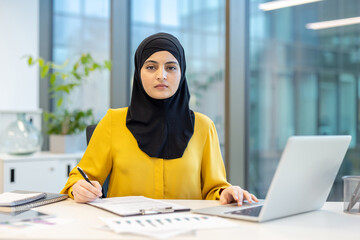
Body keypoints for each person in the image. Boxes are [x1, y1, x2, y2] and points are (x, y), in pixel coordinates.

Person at [60, 32, 258, 206]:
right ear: (139, 72)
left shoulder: (203, 126)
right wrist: (79, 188)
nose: (161, 75)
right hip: (127, 230)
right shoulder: (113, 121)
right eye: (151, 67)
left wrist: (227, 193)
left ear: (182, 74)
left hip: (188, 229)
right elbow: (80, 177)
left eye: (171, 68)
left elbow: (214, 189)